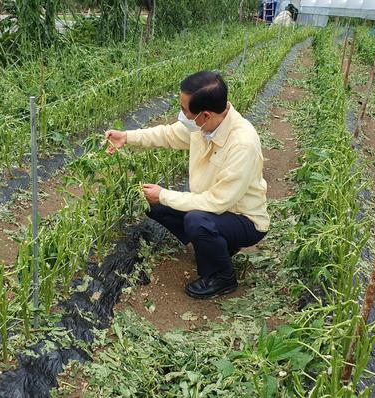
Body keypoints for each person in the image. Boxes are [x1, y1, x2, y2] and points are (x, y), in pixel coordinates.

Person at [105, 71, 270, 299]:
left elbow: (218, 201)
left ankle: (222, 277)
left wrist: (164, 195)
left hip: (243, 218)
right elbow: (167, 135)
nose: (181, 114)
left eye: (184, 110)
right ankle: (214, 246)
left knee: (196, 220)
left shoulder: (242, 144)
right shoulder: (203, 127)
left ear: (204, 115)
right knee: (151, 201)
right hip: (214, 209)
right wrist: (127, 136)